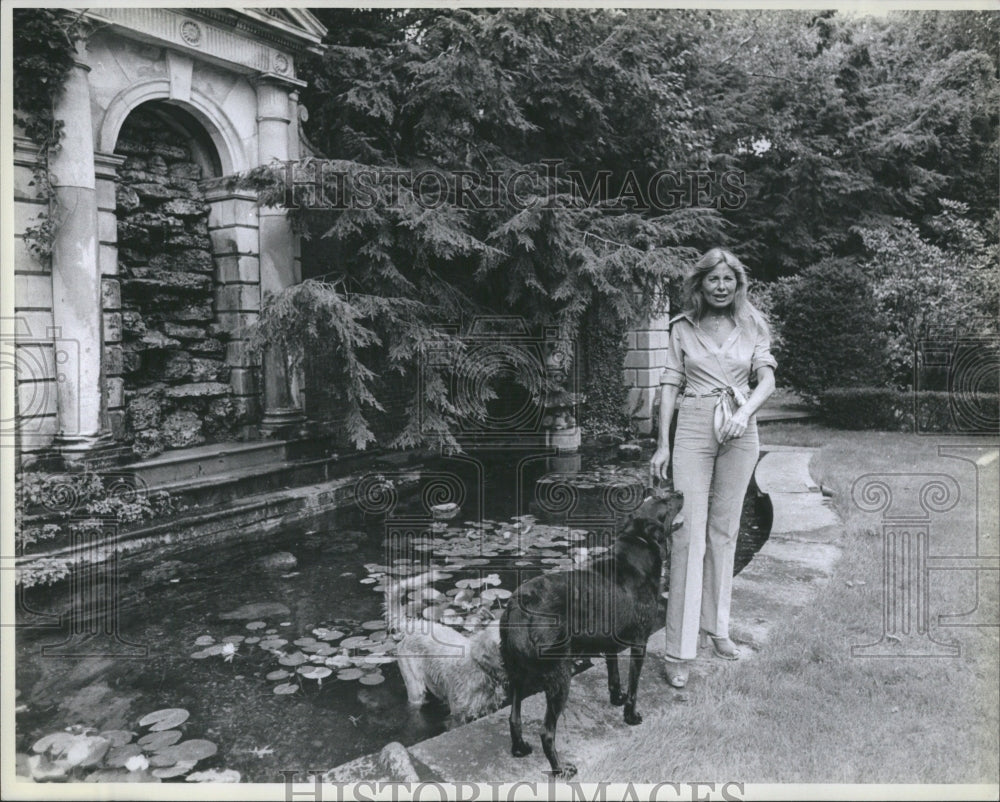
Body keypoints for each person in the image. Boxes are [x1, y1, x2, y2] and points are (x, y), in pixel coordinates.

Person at [649, 247, 776, 689]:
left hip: (741, 428)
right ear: (700, 284)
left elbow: (768, 379)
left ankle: (716, 628)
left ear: (737, 284)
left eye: (728, 280)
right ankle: (679, 649)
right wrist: (662, 445)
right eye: (713, 280)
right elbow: (669, 384)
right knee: (687, 535)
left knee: (725, 532)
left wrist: (746, 414)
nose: (721, 287)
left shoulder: (752, 325)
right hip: (695, 427)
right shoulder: (681, 329)